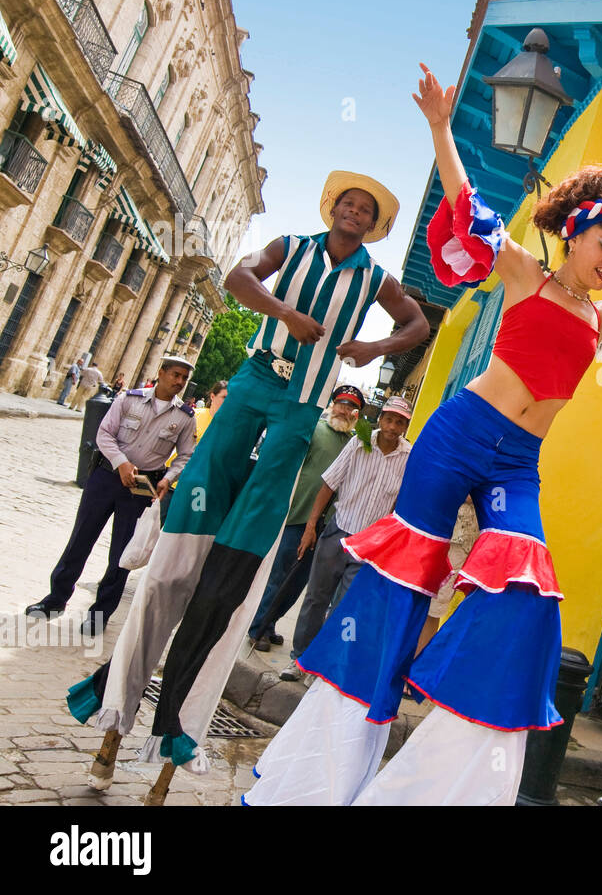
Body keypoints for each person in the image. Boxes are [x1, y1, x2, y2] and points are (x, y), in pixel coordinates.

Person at [242, 63, 602, 807]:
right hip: (462, 434)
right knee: (403, 585)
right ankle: (321, 775)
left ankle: (423, 780)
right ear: (573, 236)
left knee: (529, 598)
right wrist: (441, 126)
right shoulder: (525, 278)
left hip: (518, 463)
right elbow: (467, 202)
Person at [66, 169, 429, 802]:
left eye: (364, 209)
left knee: (266, 493)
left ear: (373, 225)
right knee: (215, 463)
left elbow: (418, 323)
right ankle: (182, 525)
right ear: (334, 208)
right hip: (258, 376)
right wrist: (284, 311)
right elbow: (238, 276)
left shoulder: (376, 278)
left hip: (302, 401)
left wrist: (374, 347)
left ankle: (233, 557)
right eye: (347, 201)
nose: (353, 211)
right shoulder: (292, 245)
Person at [27, 357, 196, 632]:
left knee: (122, 554)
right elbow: (105, 434)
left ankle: (99, 616)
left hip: (141, 489)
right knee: (81, 539)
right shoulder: (128, 399)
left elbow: (186, 456)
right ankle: (55, 599)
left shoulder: (184, 418)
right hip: (106, 477)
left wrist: (167, 478)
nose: (179, 382)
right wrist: (122, 462)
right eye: (175, 375)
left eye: (184, 379)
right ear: (161, 372)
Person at [281, 395, 414, 679]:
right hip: (338, 532)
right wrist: (311, 526)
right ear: (381, 419)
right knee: (316, 598)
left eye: (400, 422)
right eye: (389, 419)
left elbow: (399, 503)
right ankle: (299, 659)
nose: (392, 426)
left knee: (345, 608)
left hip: (369, 546)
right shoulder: (358, 443)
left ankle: (325, 665)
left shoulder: (408, 456)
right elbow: (329, 484)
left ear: (405, 426)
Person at [248, 385, 362, 651]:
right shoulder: (315, 430)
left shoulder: (356, 442)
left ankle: (271, 622)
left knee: (300, 582)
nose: (344, 410)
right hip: (299, 513)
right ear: (333, 405)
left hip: (330, 521)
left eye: (350, 407)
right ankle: (258, 627)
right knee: (281, 573)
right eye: (341, 403)